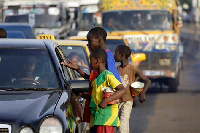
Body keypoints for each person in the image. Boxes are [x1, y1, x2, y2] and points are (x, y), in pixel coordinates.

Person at [61, 26, 121, 132]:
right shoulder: (101, 63)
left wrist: (106, 100)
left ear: (99, 38)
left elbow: (115, 84)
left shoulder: (106, 58)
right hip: (97, 115)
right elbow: (96, 80)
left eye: (90, 41)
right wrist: (78, 70)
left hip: (105, 117)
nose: (88, 44)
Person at [114, 45, 151, 133]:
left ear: (121, 56)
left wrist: (142, 93)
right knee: (119, 125)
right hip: (116, 101)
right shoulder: (116, 69)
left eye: (116, 53)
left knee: (123, 124)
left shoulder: (133, 69)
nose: (114, 55)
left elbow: (147, 81)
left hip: (128, 101)